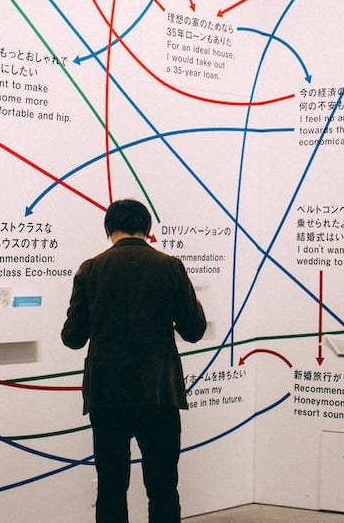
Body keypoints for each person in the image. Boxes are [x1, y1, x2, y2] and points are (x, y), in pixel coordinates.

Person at [61, 198, 207, 523]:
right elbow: (194, 330)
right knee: (163, 487)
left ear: (108, 229)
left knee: (111, 487)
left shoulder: (90, 269)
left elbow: (72, 338)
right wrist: (192, 301)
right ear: (148, 229)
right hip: (159, 392)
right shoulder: (171, 266)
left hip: (107, 395)